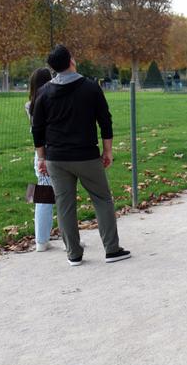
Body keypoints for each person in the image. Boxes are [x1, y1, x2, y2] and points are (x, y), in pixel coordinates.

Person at [31, 45, 128, 266]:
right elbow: (105, 121)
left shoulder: (44, 92)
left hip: (56, 158)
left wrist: (41, 157)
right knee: (102, 199)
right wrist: (108, 150)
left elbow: (38, 129)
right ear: (71, 61)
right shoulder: (90, 88)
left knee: (65, 205)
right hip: (86, 155)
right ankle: (112, 249)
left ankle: (73, 254)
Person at [25, 67, 54, 252]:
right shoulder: (49, 102)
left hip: (40, 153)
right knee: (49, 197)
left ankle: (41, 239)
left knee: (43, 196)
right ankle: (42, 240)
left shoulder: (30, 104)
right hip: (51, 152)